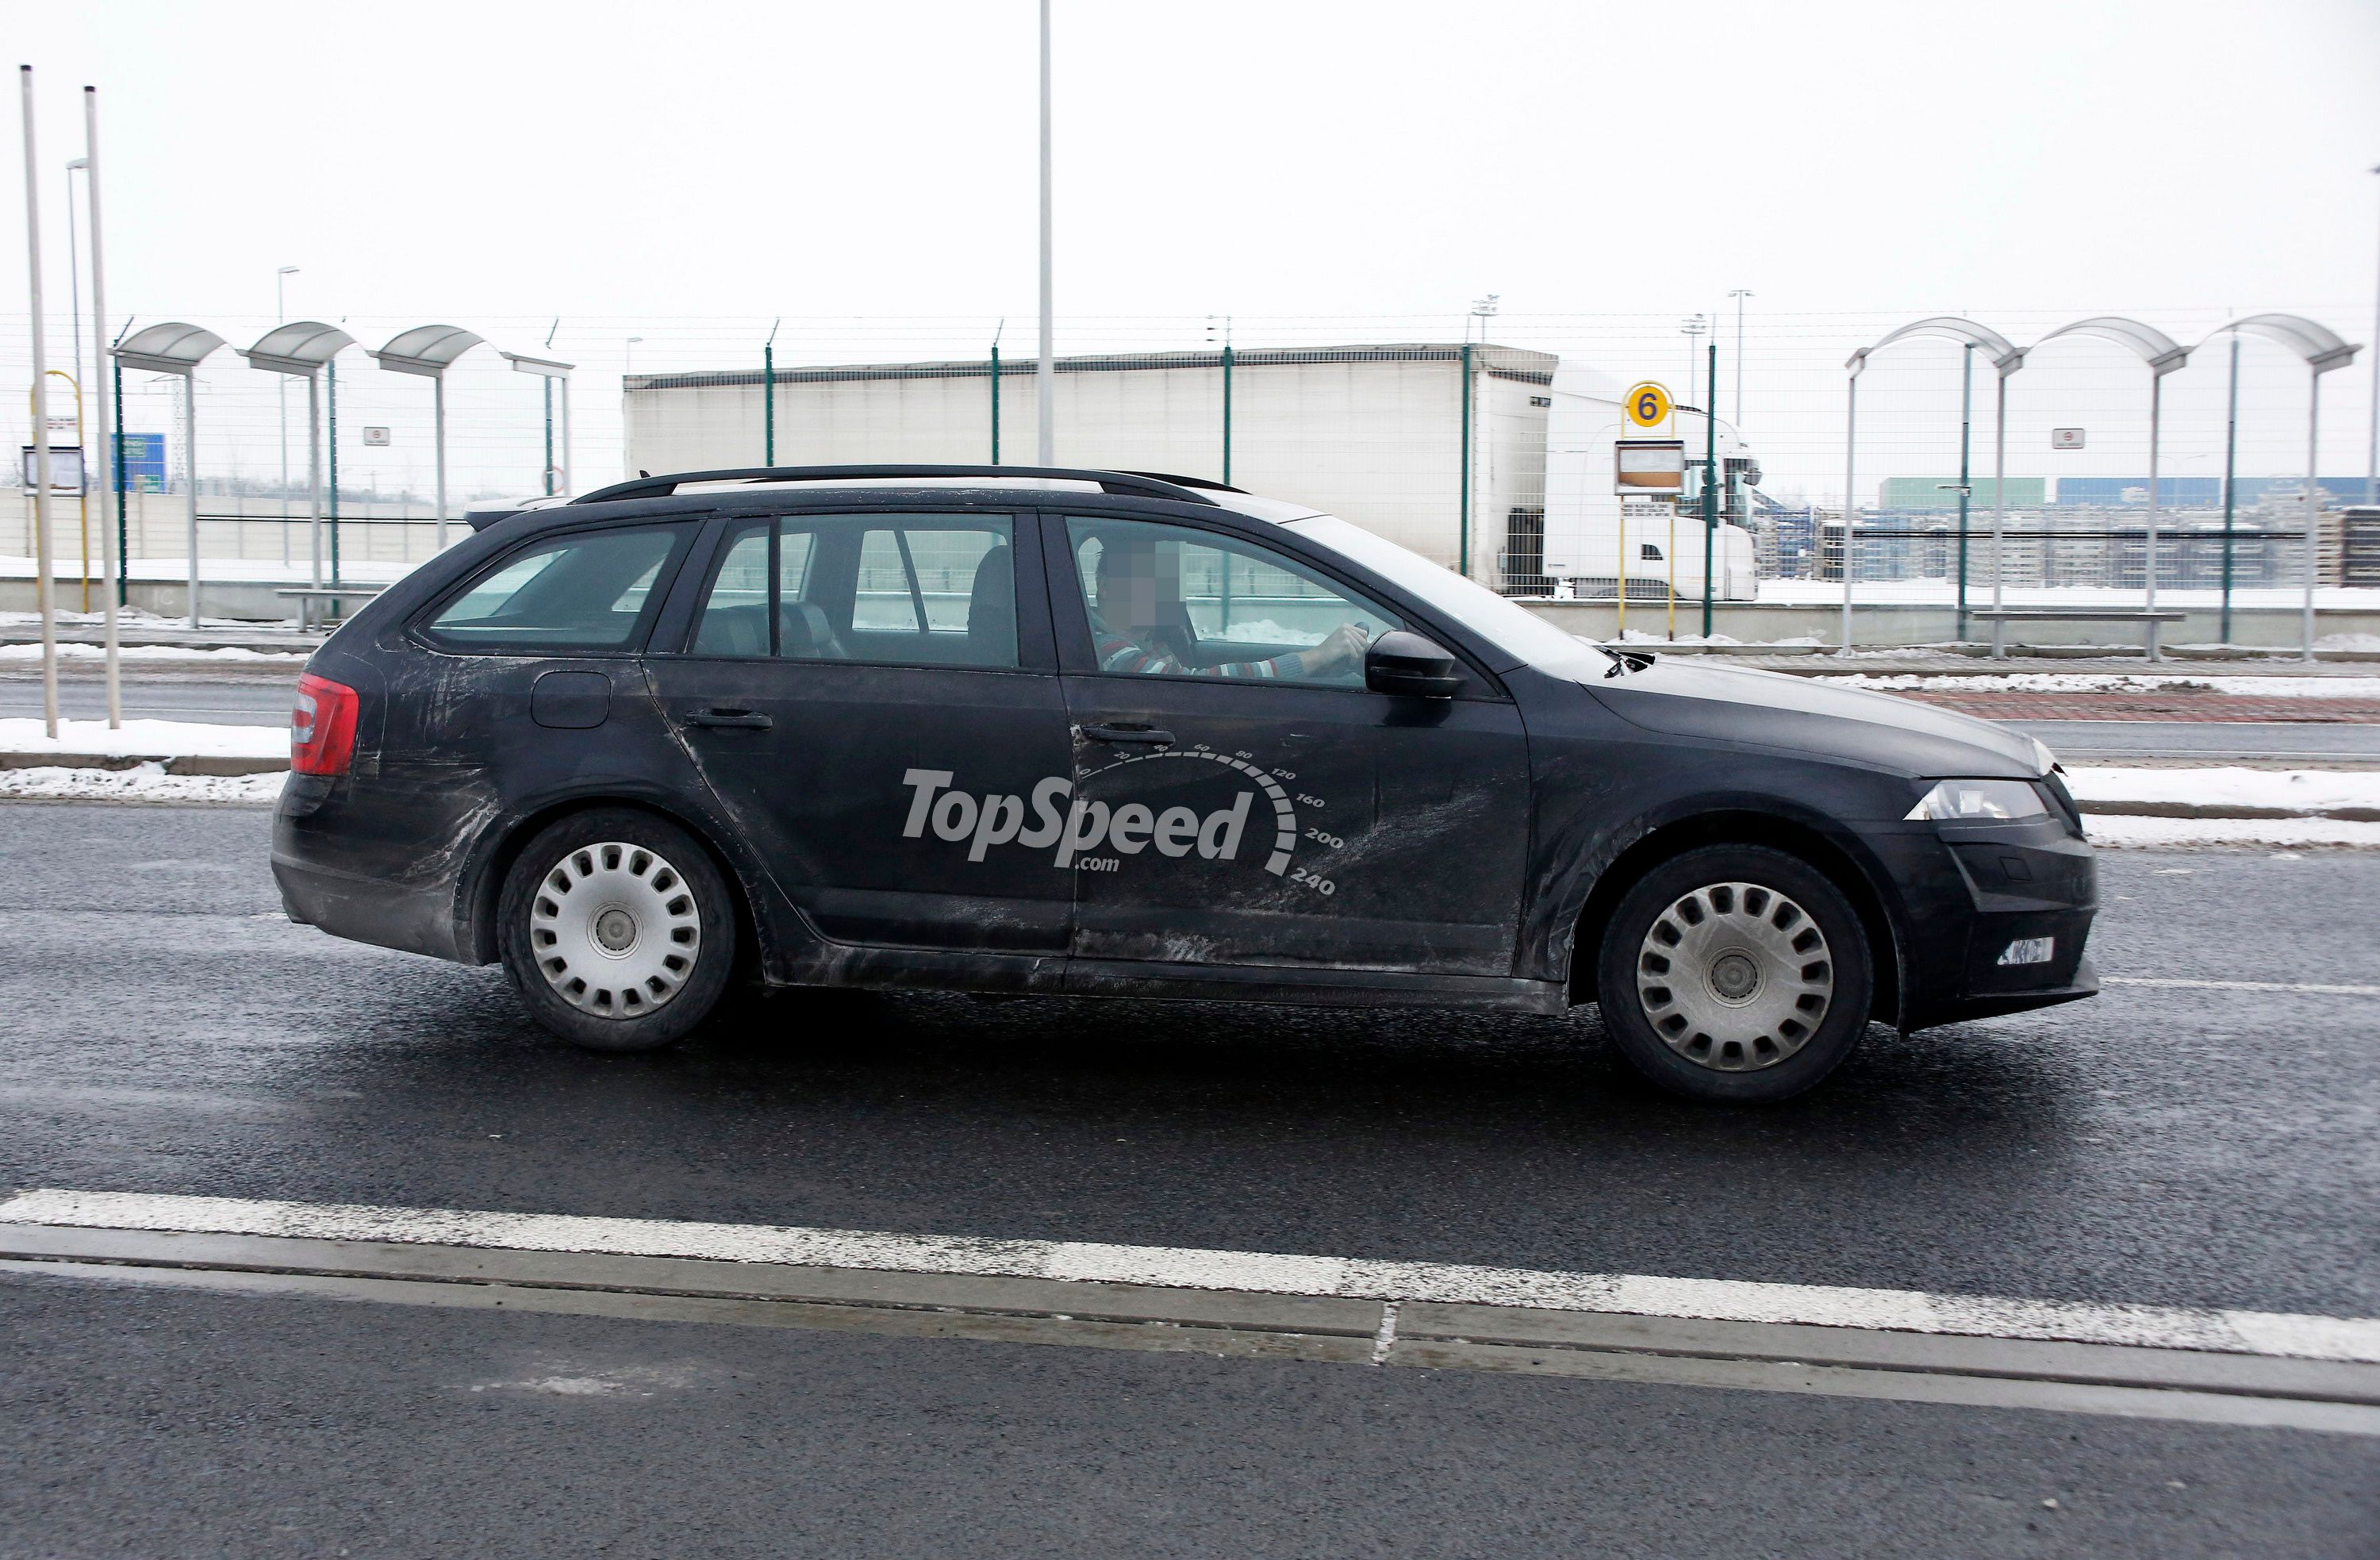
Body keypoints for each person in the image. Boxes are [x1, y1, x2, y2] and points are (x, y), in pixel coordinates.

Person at [1088, 534, 1371, 682]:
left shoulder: (1152, 641)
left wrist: (1326, 670)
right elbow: (1193, 687)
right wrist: (1314, 657)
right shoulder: (1108, 651)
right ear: (1105, 586)